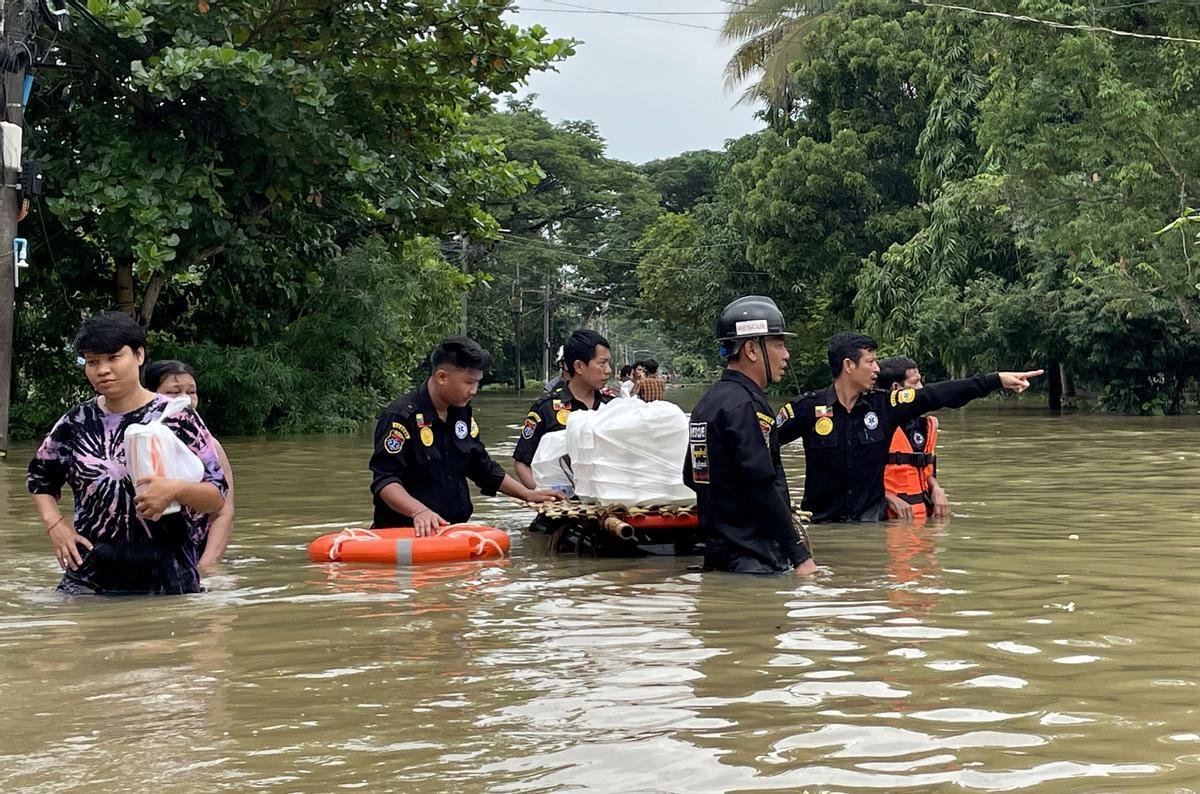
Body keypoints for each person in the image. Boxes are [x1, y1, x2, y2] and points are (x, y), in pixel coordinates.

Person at [27, 312, 228, 595]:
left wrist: (175, 490)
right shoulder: (76, 422)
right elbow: (40, 478)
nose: (102, 370)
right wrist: (56, 525)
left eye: (113, 358)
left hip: (167, 581)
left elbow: (217, 497)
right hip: (89, 579)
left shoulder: (177, 417)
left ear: (139, 355)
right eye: (93, 362)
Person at [777, 332, 1042, 523]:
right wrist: (780, 505)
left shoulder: (885, 406)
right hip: (824, 532)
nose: (877, 369)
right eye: (870, 361)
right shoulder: (806, 410)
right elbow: (760, 449)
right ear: (849, 365)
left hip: (873, 531)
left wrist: (995, 380)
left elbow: (936, 395)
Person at [369, 336, 561, 537]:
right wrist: (419, 511)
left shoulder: (461, 411)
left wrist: (528, 494)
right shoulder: (400, 417)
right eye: (469, 382)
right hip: (404, 537)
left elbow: (480, 465)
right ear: (442, 377)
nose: (474, 391)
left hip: (452, 533)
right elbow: (386, 480)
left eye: (478, 382)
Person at [683, 296, 816, 575]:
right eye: (778, 345)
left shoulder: (706, 404)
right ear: (752, 350)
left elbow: (692, 475)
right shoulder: (747, 407)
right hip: (755, 559)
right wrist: (800, 556)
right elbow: (761, 486)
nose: (786, 355)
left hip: (719, 555)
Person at [145, 360, 236, 571]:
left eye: (191, 392)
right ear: (151, 395)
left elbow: (224, 512)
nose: (186, 400)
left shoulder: (210, 447)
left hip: (195, 555)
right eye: (174, 393)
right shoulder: (136, 441)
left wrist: (206, 567)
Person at [513, 329, 614, 490]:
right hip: (561, 509)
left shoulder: (613, 408)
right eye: (602, 363)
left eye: (609, 363)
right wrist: (542, 496)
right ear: (579, 366)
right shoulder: (546, 409)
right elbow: (522, 462)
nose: (608, 370)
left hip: (607, 506)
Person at [876, 356, 949, 521]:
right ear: (897, 388)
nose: (921, 388)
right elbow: (853, 480)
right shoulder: (876, 427)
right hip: (889, 521)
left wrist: (936, 488)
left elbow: (928, 471)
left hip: (924, 518)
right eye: (915, 383)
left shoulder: (926, 425)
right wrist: (886, 497)